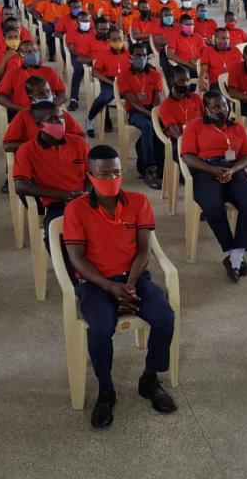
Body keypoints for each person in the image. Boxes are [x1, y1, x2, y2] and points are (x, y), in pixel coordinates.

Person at [64, 145, 177, 428]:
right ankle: (106, 390)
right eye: (104, 173)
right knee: (101, 328)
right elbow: (76, 259)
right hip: (95, 283)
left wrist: (127, 285)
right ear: (90, 175)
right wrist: (109, 287)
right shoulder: (76, 209)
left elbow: (143, 249)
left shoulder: (138, 202)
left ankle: (149, 379)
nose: (111, 177)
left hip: (133, 278)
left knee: (164, 317)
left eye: (116, 171)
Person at [180, 90, 247, 281]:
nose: (221, 110)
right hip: (206, 169)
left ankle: (237, 254)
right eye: (215, 107)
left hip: (234, 169)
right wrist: (211, 170)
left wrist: (232, 171)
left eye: (224, 105)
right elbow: (187, 156)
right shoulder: (195, 126)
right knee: (213, 205)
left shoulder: (237, 127)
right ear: (206, 109)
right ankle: (232, 251)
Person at [13, 101, 91, 279]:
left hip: (86, 199)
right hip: (58, 204)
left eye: (61, 117)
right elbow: (20, 186)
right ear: (40, 125)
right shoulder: (27, 150)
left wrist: (86, 194)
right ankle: (74, 278)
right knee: (54, 234)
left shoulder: (78, 143)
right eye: (53, 119)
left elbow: (92, 174)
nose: (60, 122)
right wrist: (61, 195)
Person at [119, 43, 165, 190]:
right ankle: (149, 169)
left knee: (162, 127)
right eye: (138, 55)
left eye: (144, 55)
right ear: (131, 57)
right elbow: (132, 100)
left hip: (152, 108)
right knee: (148, 126)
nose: (142, 58)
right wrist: (150, 115)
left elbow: (157, 96)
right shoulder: (123, 76)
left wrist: (155, 112)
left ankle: (162, 166)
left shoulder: (155, 74)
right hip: (135, 111)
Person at [0, 41, 67, 121]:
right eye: (28, 52)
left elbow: (62, 95)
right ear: (21, 56)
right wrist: (22, 110)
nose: (33, 53)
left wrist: (50, 107)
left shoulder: (49, 71)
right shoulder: (12, 74)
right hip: (21, 113)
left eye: (35, 50)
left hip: (48, 113)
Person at [197, 26, 240, 91]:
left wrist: (229, 73)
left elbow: (240, 67)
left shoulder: (236, 51)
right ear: (215, 40)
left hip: (234, 82)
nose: (226, 41)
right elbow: (204, 68)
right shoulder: (208, 51)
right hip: (217, 83)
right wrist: (201, 79)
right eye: (223, 38)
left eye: (228, 38)